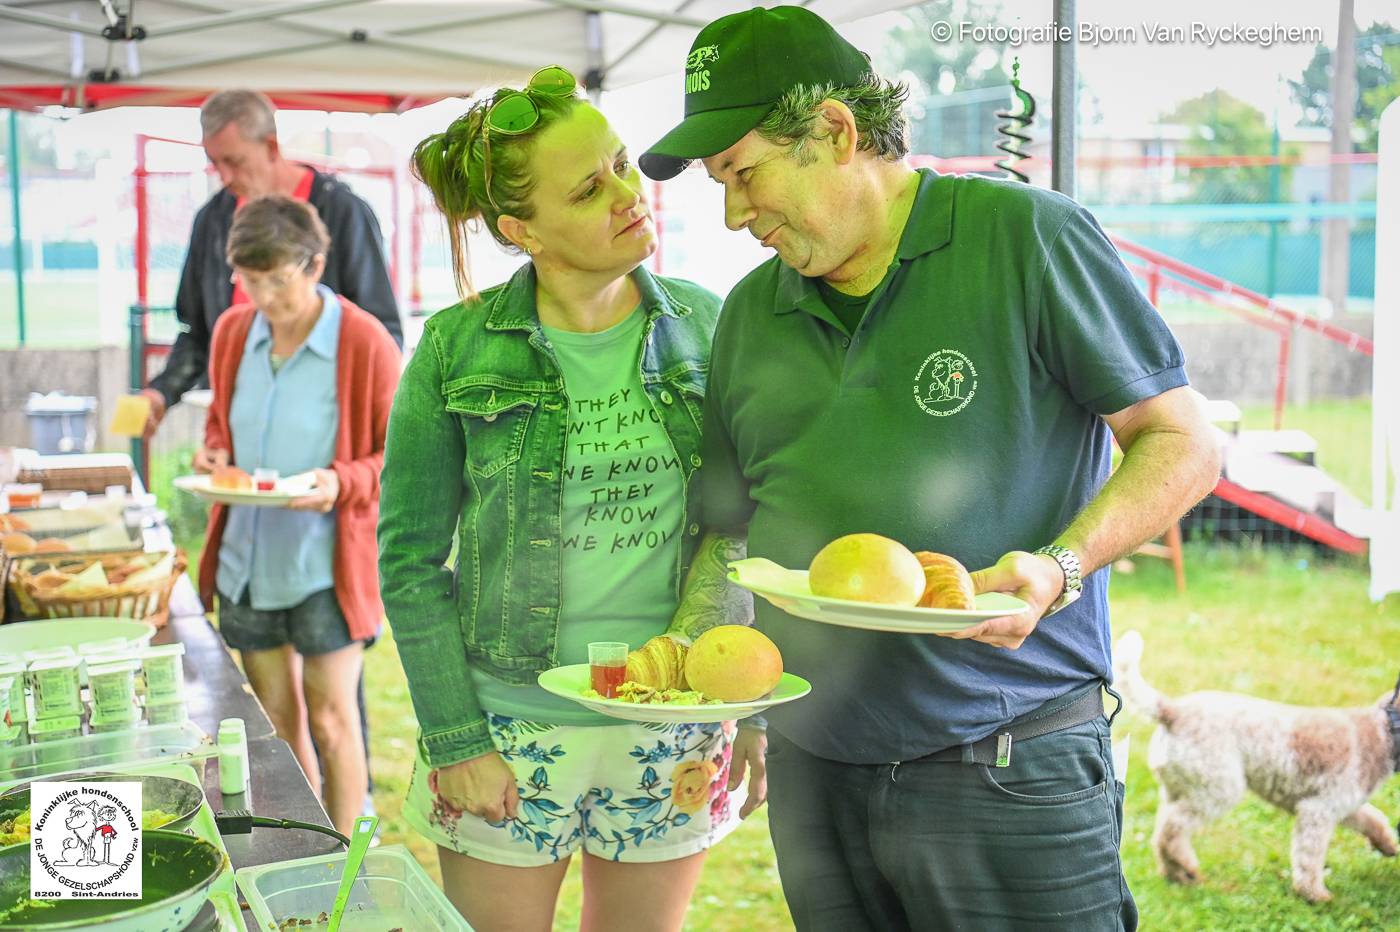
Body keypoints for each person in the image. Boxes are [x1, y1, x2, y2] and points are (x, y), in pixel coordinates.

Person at [642, 7, 1222, 932]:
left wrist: (1060, 565)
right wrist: (736, 704)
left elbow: (1183, 440)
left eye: (743, 174)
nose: (733, 213)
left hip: (1005, 765)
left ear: (834, 131)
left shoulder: (1025, 238)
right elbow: (735, 531)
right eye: (719, 184)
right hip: (814, 773)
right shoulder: (751, 313)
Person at [377, 66, 762, 932]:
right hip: (508, 727)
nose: (630, 193)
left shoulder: (711, 326)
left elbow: (740, 527)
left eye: (622, 164)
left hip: (672, 722)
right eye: (590, 188)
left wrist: (743, 707)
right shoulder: (454, 349)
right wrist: (457, 742)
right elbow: (406, 561)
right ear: (522, 229)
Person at [195, 195, 400, 837]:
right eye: (249, 281)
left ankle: (346, 879)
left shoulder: (363, 341)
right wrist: (214, 451)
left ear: (313, 266)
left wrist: (337, 482)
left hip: (323, 567)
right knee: (279, 734)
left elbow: (396, 458)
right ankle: (303, 859)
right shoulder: (233, 332)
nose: (263, 297)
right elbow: (222, 423)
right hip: (248, 566)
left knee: (333, 721)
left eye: (276, 280)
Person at [141, 88, 401, 432]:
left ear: (272, 147)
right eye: (215, 163)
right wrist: (161, 392)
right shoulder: (213, 219)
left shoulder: (343, 212)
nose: (225, 177)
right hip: (241, 427)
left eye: (235, 161)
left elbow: (383, 333)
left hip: (327, 429)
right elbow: (197, 333)